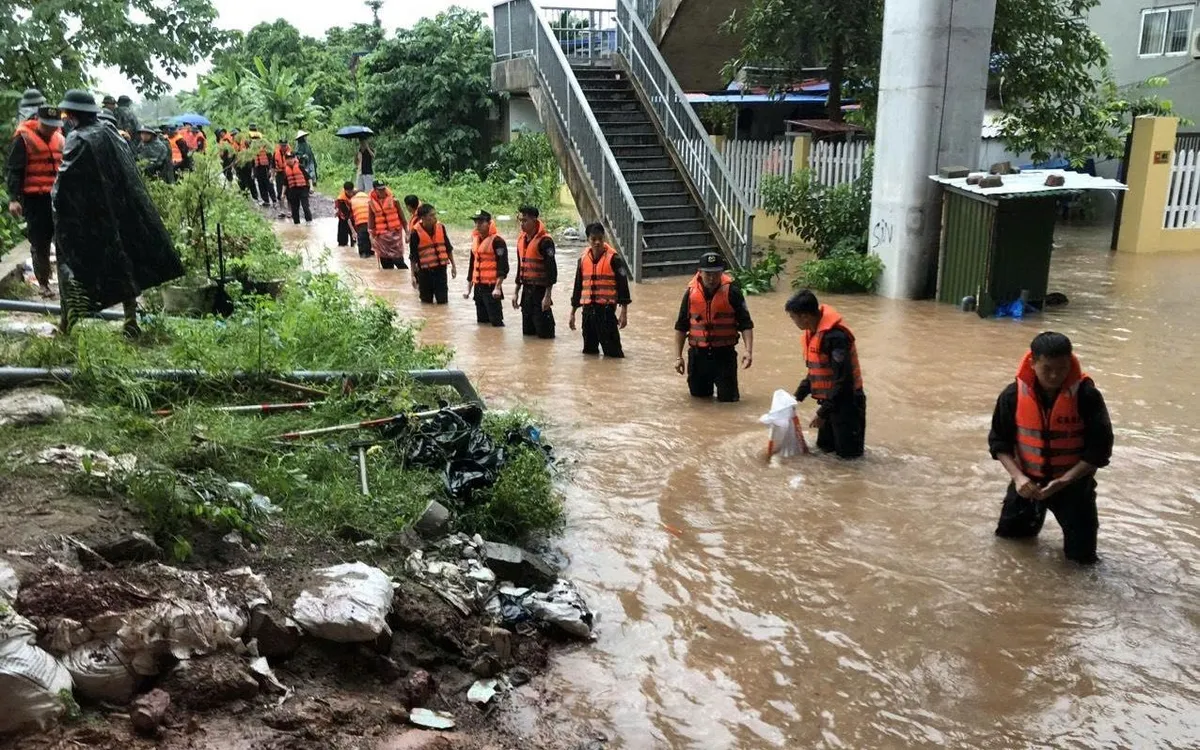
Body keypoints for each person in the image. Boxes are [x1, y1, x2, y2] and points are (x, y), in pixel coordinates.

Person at [52, 89, 183, 336]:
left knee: (73, 266)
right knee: (125, 263)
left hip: (92, 217)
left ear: (72, 114)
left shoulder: (78, 139)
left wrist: (57, 207)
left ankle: (66, 325)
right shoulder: (110, 133)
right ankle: (130, 319)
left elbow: (64, 186)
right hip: (120, 211)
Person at [990, 332, 1114, 565]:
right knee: (1009, 549)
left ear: (1070, 362)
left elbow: (1100, 449)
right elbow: (999, 442)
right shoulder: (1012, 396)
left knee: (1082, 562)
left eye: (1062, 368)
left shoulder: (1087, 397)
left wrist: (1065, 480)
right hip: (1027, 485)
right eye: (1047, 368)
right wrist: (1017, 478)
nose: (1055, 375)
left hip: (1074, 486)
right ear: (1032, 363)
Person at [786, 290, 866, 458]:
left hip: (847, 404)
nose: (793, 321)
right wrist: (795, 398)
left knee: (849, 459)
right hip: (831, 402)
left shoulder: (835, 338)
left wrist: (822, 413)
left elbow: (844, 381)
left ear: (805, 316)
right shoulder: (814, 333)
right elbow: (816, 373)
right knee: (825, 451)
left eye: (793, 317)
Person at [673, 252, 754, 402]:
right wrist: (678, 357)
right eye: (708, 274)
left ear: (721, 273)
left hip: (725, 356)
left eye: (716, 274)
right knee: (699, 401)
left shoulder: (733, 292)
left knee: (728, 401)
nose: (712, 278)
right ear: (700, 272)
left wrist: (748, 351)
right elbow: (681, 327)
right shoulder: (690, 294)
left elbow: (746, 324)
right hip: (698, 357)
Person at [7, 104, 64, 297]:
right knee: (40, 242)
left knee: (65, 239)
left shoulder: (59, 138)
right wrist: (14, 199)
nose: (51, 129)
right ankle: (43, 284)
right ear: (38, 121)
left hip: (58, 198)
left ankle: (68, 284)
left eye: (53, 125)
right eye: (47, 125)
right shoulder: (23, 139)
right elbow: (14, 171)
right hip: (35, 199)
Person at [569, 223, 631, 357]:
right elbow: (578, 287)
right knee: (589, 354)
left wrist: (624, 313)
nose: (597, 242)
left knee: (614, 355)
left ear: (604, 238)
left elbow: (623, 287)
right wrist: (573, 313)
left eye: (600, 239)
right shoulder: (583, 260)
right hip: (587, 313)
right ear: (588, 240)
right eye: (593, 239)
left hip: (606, 312)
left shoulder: (614, 259)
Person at [513, 205, 557, 339]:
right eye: (520, 220)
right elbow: (520, 267)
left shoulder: (545, 242)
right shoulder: (522, 240)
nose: (522, 224)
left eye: (525, 220)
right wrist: (516, 292)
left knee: (545, 335)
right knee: (527, 334)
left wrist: (548, 296)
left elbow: (552, 272)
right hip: (526, 292)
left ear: (534, 220)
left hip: (540, 291)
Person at [463, 210, 508, 327]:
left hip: (491, 287)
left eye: (481, 222)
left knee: (496, 323)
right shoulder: (475, 240)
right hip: (478, 287)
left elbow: (503, 267)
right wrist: (468, 288)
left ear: (489, 223)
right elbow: (472, 265)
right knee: (482, 323)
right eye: (476, 222)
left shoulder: (498, 241)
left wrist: (497, 287)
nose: (478, 225)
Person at [409, 204, 456, 304]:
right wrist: (412, 275)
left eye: (435, 215)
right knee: (426, 302)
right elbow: (413, 256)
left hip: (440, 271)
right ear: (423, 218)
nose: (435, 218)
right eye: (431, 215)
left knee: (443, 301)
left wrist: (453, 266)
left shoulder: (441, 227)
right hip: (424, 272)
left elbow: (448, 248)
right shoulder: (415, 233)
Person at [369, 181, 409, 270]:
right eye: (380, 190)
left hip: (395, 237)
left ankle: (405, 281)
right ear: (375, 190)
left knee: (399, 263)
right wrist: (371, 237)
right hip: (381, 238)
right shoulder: (371, 204)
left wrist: (407, 233)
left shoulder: (395, 201)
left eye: (383, 189)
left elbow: (403, 220)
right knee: (387, 267)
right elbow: (371, 224)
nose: (382, 191)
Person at [248, 125, 276, 207]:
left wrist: (271, 168)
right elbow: (252, 160)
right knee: (260, 184)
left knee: (268, 184)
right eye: (253, 139)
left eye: (256, 138)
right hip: (257, 168)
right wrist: (253, 171)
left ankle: (274, 200)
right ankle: (266, 200)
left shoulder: (264, 146)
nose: (254, 140)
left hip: (265, 167)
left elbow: (270, 157)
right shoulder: (252, 148)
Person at [282, 152, 312, 225]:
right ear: (286, 160)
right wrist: (282, 194)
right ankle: (297, 224)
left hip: (303, 189)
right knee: (294, 209)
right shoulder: (286, 170)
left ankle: (309, 222)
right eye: (288, 159)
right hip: (292, 191)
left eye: (291, 158)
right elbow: (285, 183)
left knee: (305, 206)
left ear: (294, 158)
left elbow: (308, 178)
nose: (290, 160)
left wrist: (311, 187)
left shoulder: (300, 166)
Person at [350, 188, 373, 258]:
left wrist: (353, 231)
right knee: (371, 237)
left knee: (362, 238)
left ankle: (363, 254)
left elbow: (350, 217)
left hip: (360, 221)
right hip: (371, 220)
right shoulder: (369, 198)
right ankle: (371, 253)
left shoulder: (352, 200)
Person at [334, 181, 357, 248]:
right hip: (343, 217)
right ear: (345, 190)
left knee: (354, 239)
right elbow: (347, 216)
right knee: (342, 242)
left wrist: (353, 231)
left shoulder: (356, 193)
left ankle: (353, 246)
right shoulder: (341, 199)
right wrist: (352, 230)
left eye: (351, 191)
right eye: (348, 192)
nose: (350, 194)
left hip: (353, 215)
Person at [273, 138, 291, 205]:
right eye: (282, 145)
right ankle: (281, 208)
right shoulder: (276, 153)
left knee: (289, 192)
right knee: (279, 192)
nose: (283, 147)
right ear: (279, 145)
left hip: (288, 173)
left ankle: (290, 209)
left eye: (285, 145)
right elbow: (273, 165)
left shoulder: (290, 153)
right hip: (279, 173)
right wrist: (272, 176)